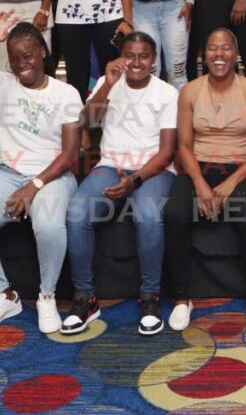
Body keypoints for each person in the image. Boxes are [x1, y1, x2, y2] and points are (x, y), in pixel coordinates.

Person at [0, 15, 82, 334]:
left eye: (27, 55)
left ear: (42, 51)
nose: (21, 64)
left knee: (48, 226)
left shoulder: (65, 93)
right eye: (14, 59)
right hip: (8, 174)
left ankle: (47, 295)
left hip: (52, 176)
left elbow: (69, 156)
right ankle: (2, 294)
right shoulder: (3, 85)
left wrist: (34, 186)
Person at [63, 32, 176, 336]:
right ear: (120, 57)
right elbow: (86, 121)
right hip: (111, 166)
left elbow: (167, 153)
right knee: (76, 214)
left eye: (143, 56)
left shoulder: (167, 93)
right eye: (130, 55)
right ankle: (85, 298)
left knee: (148, 216)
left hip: (153, 170)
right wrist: (108, 86)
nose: (136, 62)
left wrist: (135, 180)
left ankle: (149, 297)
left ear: (153, 60)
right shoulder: (106, 83)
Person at [164, 28, 246, 330]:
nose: (219, 54)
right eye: (212, 48)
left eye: (226, 48)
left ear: (236, 55)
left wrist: (231, 182)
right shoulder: (190, 91)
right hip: (198, 165)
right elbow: (183, 146)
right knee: (174, 213)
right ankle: (182, 298)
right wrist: (199, 183)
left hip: (241, 166)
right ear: (203, 56)